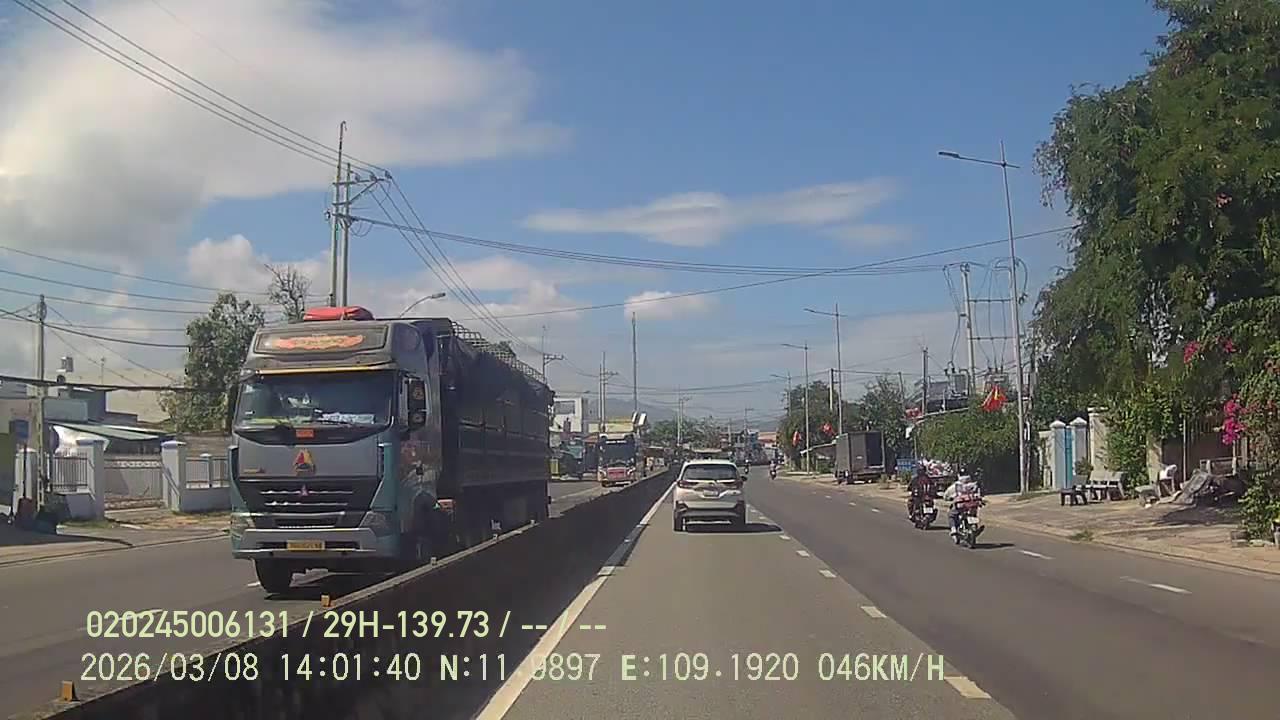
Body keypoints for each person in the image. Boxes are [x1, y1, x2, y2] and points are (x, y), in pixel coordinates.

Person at [943, 472, 983, 537]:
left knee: (951, 515)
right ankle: (974, 527)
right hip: (972, 505)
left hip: (960, 506)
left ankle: (953, 529)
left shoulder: (955, 486)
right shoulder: (974, 485)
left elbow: (946, 495)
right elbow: (979, 494)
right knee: (973, 514)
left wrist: (947, 498)